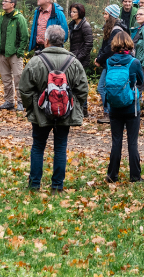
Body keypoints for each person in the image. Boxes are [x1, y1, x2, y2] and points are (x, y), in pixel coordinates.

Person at [19, 25, 89, 192]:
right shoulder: (74, 63)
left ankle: (34, 184)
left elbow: (24, 89)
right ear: (63, 41)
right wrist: (72, 106)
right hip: (65, 113)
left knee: (37, 147)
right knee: (60, 147)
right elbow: (83, 90)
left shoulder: (35, 61)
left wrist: (33, 107)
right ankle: (57, 186)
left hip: (40, 112)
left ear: (47, 40)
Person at [102, 31, 144, 183]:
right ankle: (135, 176)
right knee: (132, 143)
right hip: (131, 108)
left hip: (114, 107)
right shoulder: (134, 62)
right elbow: (140, 80)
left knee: (116, 141)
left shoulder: (108, 61)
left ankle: (112, 175)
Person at [95, 5, 131, 123]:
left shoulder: (116, 30)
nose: (104, 16)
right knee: (105, 87)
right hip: (109, 63)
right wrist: (99, 58)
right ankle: (109, 112)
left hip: (112, 63)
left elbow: (110, 48)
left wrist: (100, 60)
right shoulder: (110, 28)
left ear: (111, 16)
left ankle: (109, 112)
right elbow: (104, 46)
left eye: (106, 14)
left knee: (103, 87)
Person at [0, 0, 29, 111]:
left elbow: (24, 36)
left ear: (12, 4)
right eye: (3, 1)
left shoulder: (19, 18)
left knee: (18, 78)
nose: (2, 3)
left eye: (5, 1)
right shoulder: (1, 17)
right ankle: (9, 101)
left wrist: (19, 52)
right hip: (3, 53)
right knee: (6, 79)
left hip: (15, 54)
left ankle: (21, 102)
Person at [67, 3, 95, 68]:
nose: (71, 14)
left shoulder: (85, 26)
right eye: (71, 12)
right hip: (73, 58)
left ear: (80, 12)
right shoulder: (72, 25)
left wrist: (78, 58)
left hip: (81, 60)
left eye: (74, 12)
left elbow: (88, 45)